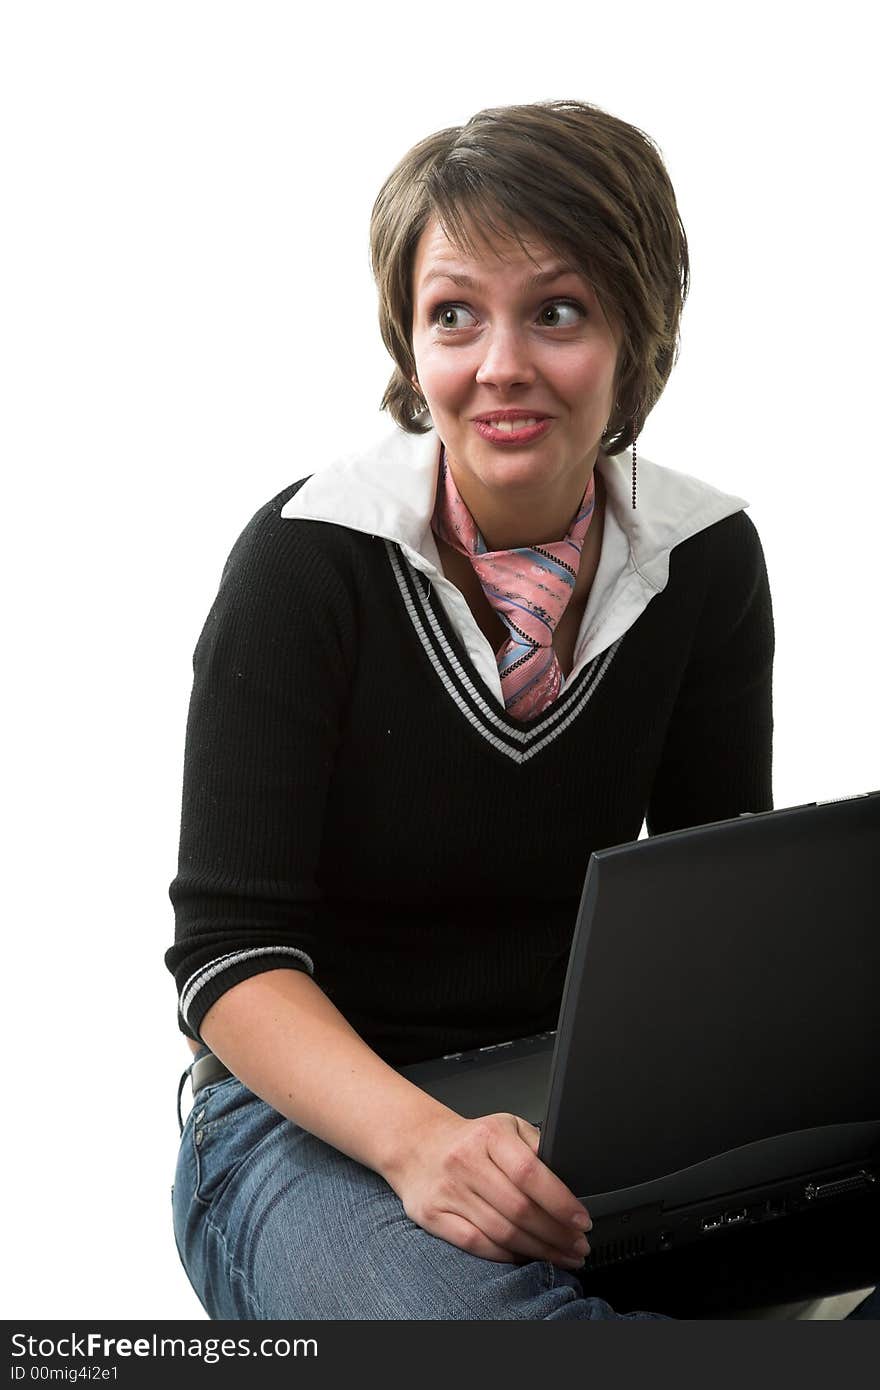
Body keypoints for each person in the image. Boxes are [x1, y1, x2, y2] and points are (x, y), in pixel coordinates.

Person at [165, 99, 876, 1320]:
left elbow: (714, 907)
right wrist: (417, 1143)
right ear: (410, 341)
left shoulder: (701, 558)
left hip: (584, 1107)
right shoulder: (307, 561)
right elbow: (227, 960)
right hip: (312, 1122)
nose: (499, 365)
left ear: (631, 336)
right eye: (454, 315)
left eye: (555, 311)